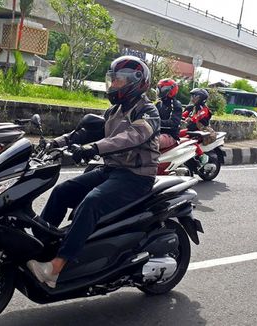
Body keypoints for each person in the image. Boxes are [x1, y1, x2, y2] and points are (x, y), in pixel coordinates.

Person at [27, 56, 160, 288]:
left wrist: (94, 149)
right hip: (112, 170)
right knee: (62, 191)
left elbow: (131, 136)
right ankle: (41, 246)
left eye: (118, 80)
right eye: (113, 80)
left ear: (136, 82)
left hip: (137, 177)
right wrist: (55, 143)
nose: (113, 85)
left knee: (92, 202)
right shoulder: (114, 111)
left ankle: (56, 267)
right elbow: (84, 133)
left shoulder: (148, 111)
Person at [180, 88, 212, 165]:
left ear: (201, 98)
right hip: (191, 130)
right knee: (176, 135)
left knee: (188, 140)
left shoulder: (204, 109)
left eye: (194, 96)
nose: (192, 98)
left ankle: (202, 156)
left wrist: (190, 119)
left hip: (201, 131)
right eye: (192, 96)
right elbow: (183, 115)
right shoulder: (192, 107)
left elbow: (198, 116)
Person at [156, 78, 182, 150]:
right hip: (157, 132)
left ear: (170, 90)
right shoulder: (158, 103)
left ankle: (151, 161)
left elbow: (174, 122)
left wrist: (156, 122)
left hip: (170, 135)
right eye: (159, 88)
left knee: (151, 142)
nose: (160, 91)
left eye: (162, 88)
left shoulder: (175, 105)